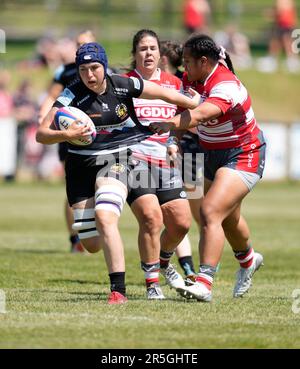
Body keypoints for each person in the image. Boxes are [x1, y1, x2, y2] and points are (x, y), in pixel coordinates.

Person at [36, 42, 200, 304]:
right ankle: (112, 241)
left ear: (104, 65)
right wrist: (66, 134)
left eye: (94, 68)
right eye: (83, 69)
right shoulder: (70, 95)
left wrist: (194, 103)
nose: (89, 75)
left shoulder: (120, 84)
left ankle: (118, 290)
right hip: (80, 168)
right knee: (91, 244)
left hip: (117, 159)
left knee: (106, 215)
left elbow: (163, 93)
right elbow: (41, 134)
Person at [150, 34, 266, 302]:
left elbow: (201, 114)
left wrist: (170, 124)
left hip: (243, 154)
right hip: (211, 154)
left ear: (204, 62)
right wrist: (173, 141)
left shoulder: (225, 84)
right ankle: (249, 261)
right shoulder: (193, 78)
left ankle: (204, 282)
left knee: (210, 212)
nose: (184, 67)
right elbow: (183, 107)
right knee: (228, 219)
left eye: (188, 62)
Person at [125, 30, 197, 300]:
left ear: (160, 54)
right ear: (135, 54)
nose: (148, 53)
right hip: (135, 161)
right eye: (142, 48)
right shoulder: (124, 83)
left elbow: (184, 118)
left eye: (152, 48)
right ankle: (151, 281)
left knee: (181, 223)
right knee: (151, 218)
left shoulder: (173, 84)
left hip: (167, 162)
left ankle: (164, 263)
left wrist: (174, 141)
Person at [39, 32, 96, 253]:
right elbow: (51, 98)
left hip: (98, 136)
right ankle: (75, 239)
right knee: (74, 187)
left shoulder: (105, 71)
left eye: (87, 43)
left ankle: (96, 230)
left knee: (98, 187)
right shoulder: (66, 71)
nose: (82, 47)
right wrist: (44, 118)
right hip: (68, 135)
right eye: (79, 44)